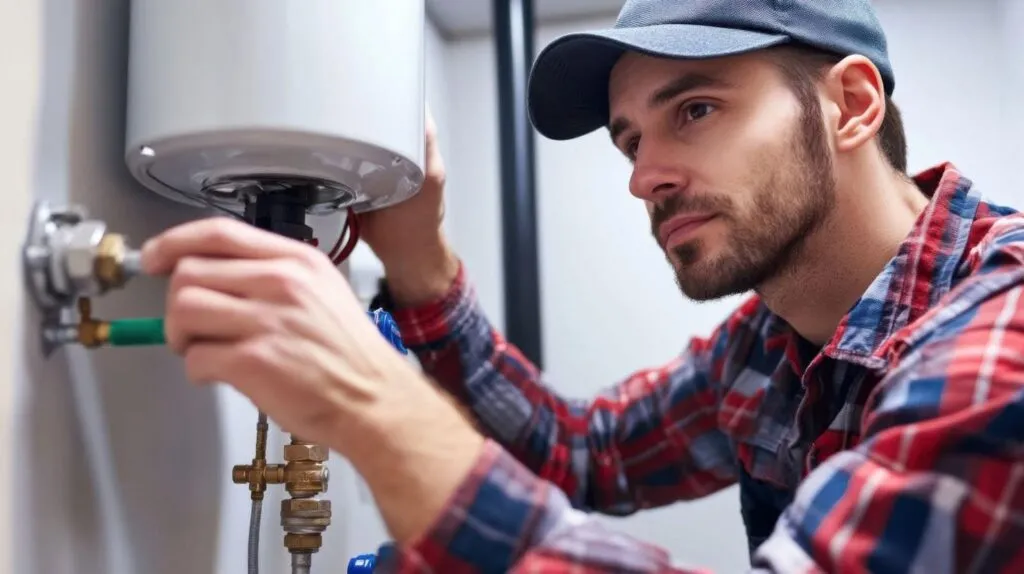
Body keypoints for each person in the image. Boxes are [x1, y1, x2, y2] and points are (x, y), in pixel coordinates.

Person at [139, 0, 1024, 571]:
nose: (647, 176)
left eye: (696, 110)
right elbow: (582, 455)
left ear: (852, 105)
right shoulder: (770, 346)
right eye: (632, 141)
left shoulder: (1001, 333)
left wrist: (379, 417)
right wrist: (420, 263)